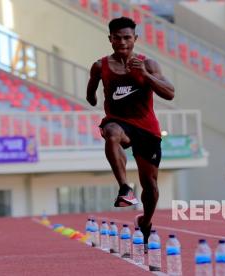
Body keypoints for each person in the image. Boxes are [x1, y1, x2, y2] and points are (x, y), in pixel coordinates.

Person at [85, 17, 175, 245]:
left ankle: (145, 221)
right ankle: (125, 187)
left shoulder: (149, 64)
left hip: (147, 128)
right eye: (117, 38)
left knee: (151, 188)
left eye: (127, 38)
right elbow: (91, 89)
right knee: (112, 132)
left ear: (135, 39)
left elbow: (170, 93)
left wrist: (145, 75)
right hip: (119, 121)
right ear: (110, 39)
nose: (122, 42)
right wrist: (93, 96)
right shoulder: (100, 66)